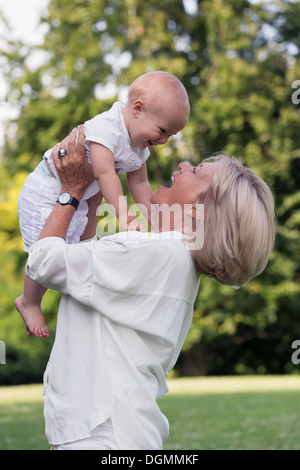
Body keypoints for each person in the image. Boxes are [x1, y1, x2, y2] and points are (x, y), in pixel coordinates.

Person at [24, 126, 275, 450]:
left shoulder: (156, 253)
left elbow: (43, 262)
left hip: (101, 438)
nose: (182, 168)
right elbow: (83, 264)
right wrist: (95, 189)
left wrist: (70, 191)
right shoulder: (174, 259)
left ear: (203, 208)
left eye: (195, 171)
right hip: (117, 434)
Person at [15, 71, 190, 338]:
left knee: (69, 254)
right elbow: (104, 174)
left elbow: (140, 185)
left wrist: (155, 220)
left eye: (171, 135)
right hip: (46, 190)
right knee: (43, 249)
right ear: (138, 109)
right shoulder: (106, 128)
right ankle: (29, 300)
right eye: (163, 130)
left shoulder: (139, 147)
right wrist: (123, 215)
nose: (163, 140)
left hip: (81, 197)